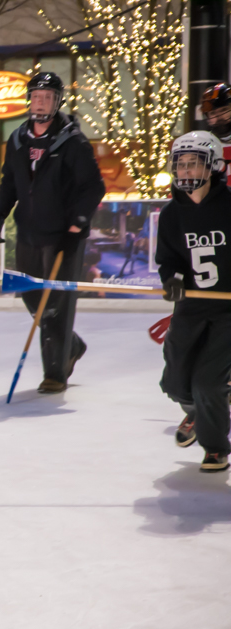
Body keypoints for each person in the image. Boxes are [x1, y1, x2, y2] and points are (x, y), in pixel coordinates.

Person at [0, 71, 106, 394]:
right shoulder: (16, 139)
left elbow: (93, 187)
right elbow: (10, 182)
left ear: (58, 102)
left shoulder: (72, 141)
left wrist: (76, 226)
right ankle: (71, 344)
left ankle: (55, 372)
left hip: (61, 235)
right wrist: (0, 215)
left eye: (48, 97)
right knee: (30, 295)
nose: (41, 102)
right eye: (36, 96)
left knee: (56, 304)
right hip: (27, 231)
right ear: (29, 100)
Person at [155, 131, 231, 473]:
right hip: (190, 308)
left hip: (228, 313)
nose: (185, 171)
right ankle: (197, 410)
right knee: (174, 383)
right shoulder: (172, 215)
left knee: (208, 383)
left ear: (214, 166)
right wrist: (172, 281)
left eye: (193, 163)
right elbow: (168, 260)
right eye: (180, 164)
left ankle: (215, 447)